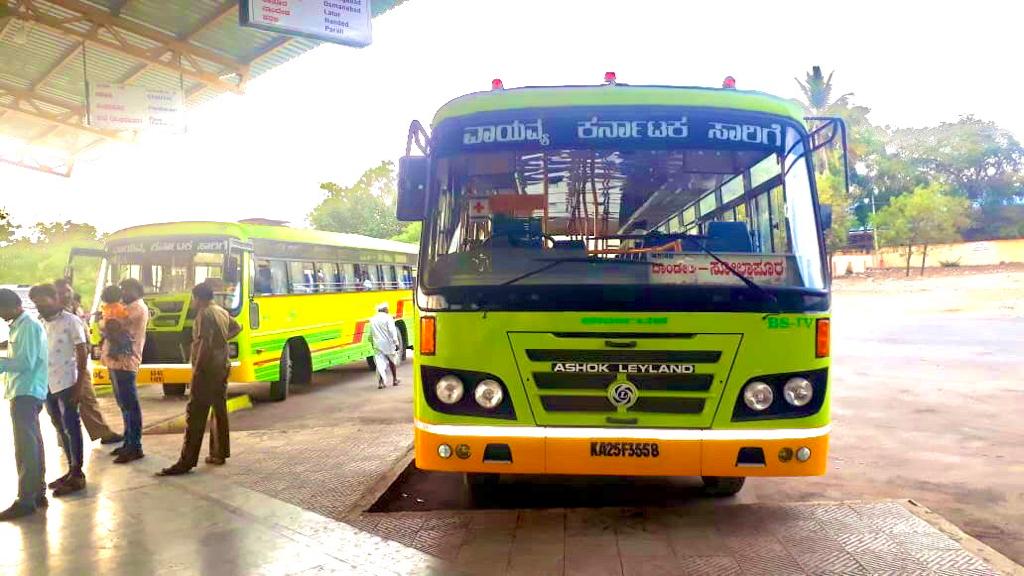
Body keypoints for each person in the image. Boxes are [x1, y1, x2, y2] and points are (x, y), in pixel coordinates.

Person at [158, 283, 241, 476]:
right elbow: (237, 327)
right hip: (221, 366)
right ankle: (219, 453)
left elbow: (204, 343)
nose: (192, 302)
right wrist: (221, 340)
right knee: (219, 411)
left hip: (206, 370)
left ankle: (186, 461)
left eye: (193, 298)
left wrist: (196, 370)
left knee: (195, 414)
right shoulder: (220, 311)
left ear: (198, 298)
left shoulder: (204, 314)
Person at [29, 285, 87, 496]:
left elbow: (82, 352)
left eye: (43, 302)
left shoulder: (71, 321)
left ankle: (78, 474)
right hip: (46, 384)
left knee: (72, 427)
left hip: (67, 383)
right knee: (59, 427)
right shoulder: (40, 322)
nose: (40, 307)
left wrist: (80, 385)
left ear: (55, 298)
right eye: (36, 303)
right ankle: (71, 469)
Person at [53, 278, 123, 446]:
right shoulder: (55, 316)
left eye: (69, 291)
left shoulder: (74, 310)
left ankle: (96, 433)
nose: (67, 295)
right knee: (77, 400)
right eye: (62, 293)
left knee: (84, 399)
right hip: (67, 363)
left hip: (78, 361)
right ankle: (71, 438)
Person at [0, 288, 48, 520]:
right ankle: (37, 492)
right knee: (33, 443)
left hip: (26, 391)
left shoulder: (27, 326)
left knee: (25, 446)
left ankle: (26, 500)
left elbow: (24, 362)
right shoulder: (20, 325)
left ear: (10, 306)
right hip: (25, 390)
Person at [102, 278, 148, 464]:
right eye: (122, 289)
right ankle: (128, 441)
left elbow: (110, 325)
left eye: (127, 289)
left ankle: (135, 446)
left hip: (126, 362)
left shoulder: (137, 308)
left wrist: (104, 320)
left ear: (137, 290)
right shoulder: (125, 307)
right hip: (116, 361)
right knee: (124, 405)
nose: (123, 293)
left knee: (130, 405)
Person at [369, 303, 400, 389]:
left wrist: (372, 342)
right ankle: (394, 380)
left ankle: (381, 383)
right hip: (388, 344)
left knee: (380, 363)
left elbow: (370, 334)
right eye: (387, 309)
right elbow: (392, 331)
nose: (388, 310)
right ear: (385, 309)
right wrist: (396, 343)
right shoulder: (388, 318)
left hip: (377, 344)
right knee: (392, 361)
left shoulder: (373, 319)